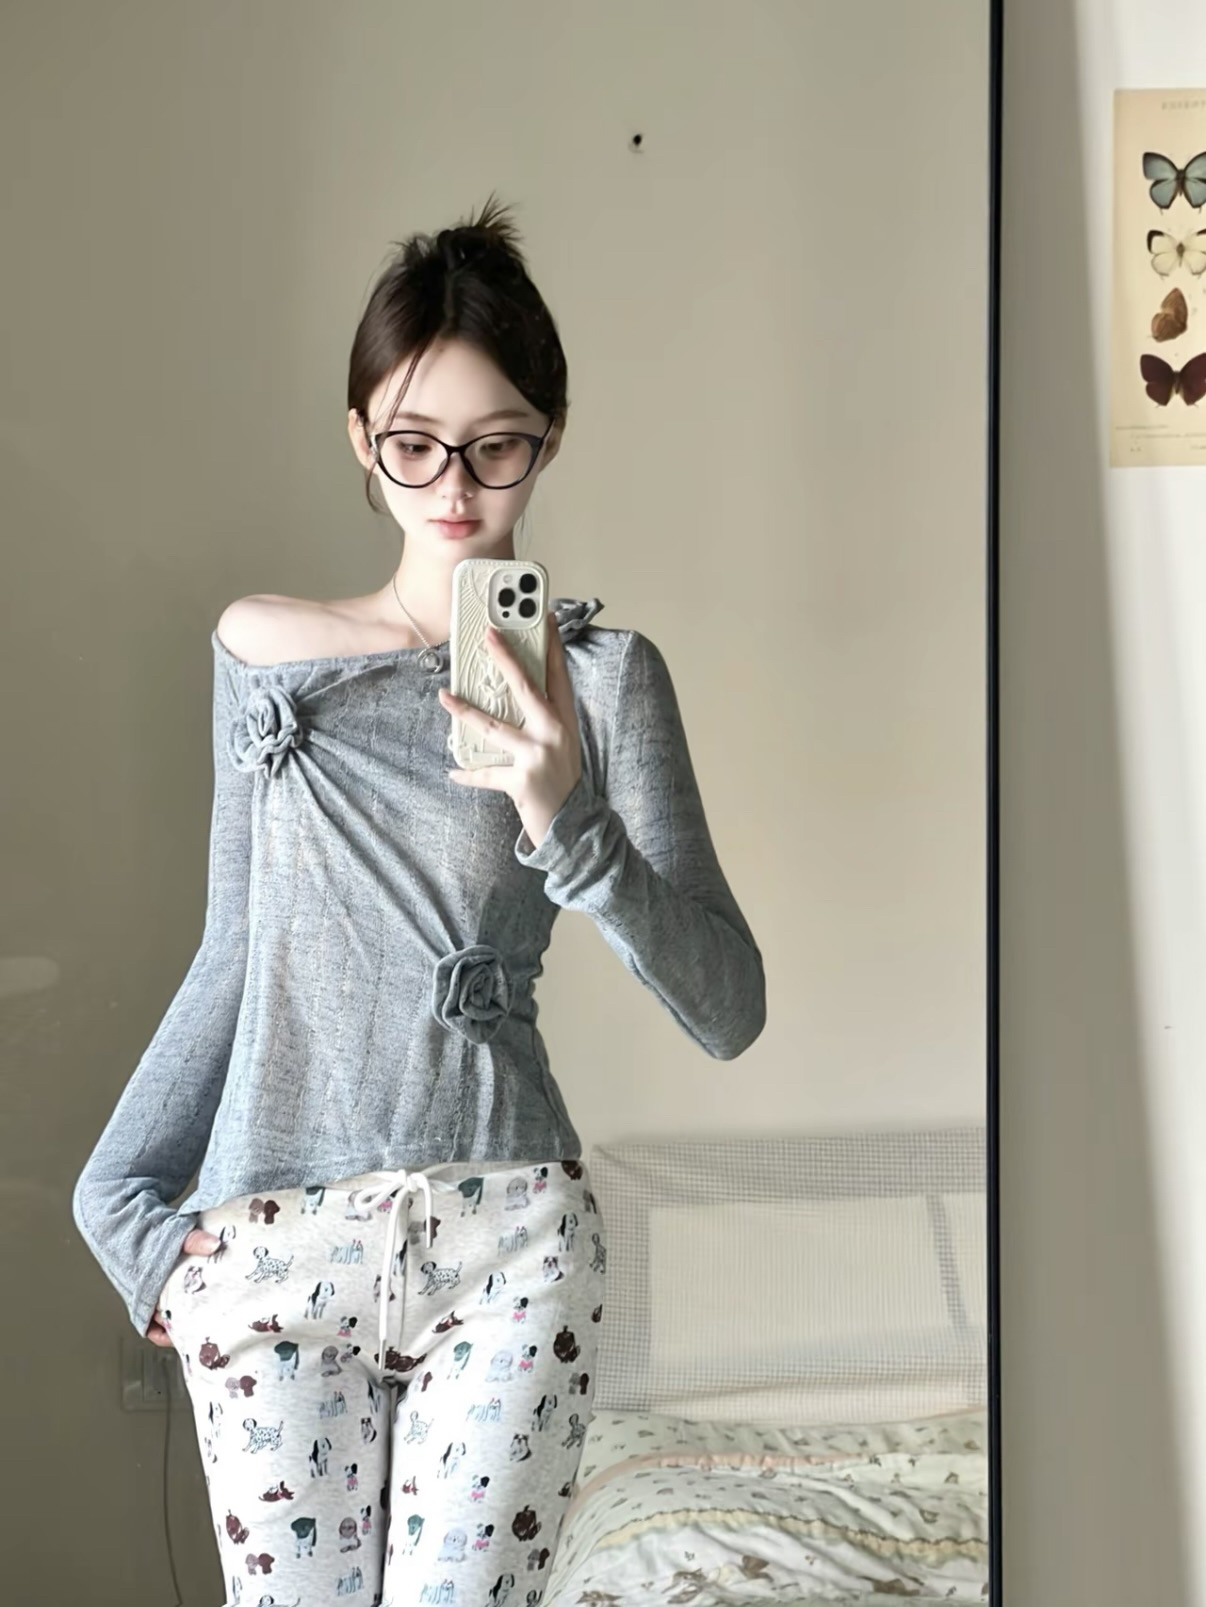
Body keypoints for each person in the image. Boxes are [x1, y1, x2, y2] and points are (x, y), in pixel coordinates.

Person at [72, 195, 766, 1607]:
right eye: (414, 442)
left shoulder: (606, 681)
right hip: (276, 1248)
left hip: (509, 1243)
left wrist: (563, 811)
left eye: (496, 444)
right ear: (361, 438)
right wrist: (121, 1211)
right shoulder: (268, 655)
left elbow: (728, 1006)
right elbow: (237, 951)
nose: (454, 484)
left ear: (548, 440)